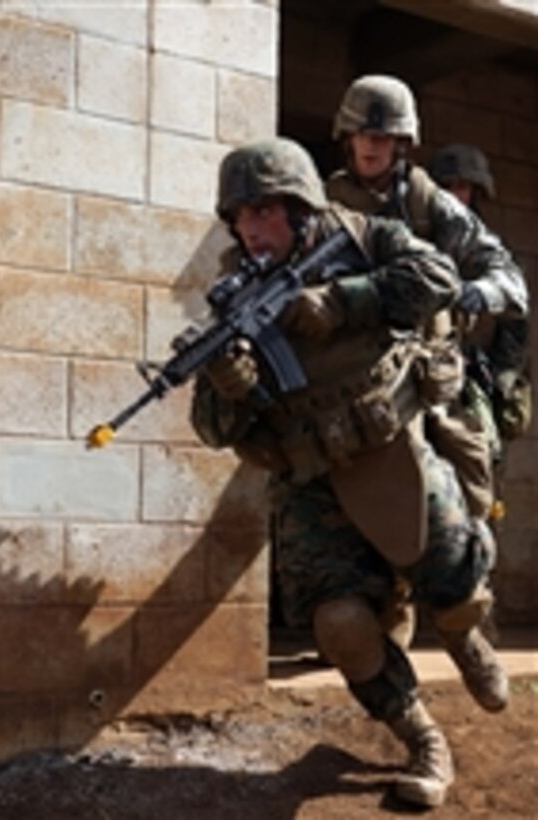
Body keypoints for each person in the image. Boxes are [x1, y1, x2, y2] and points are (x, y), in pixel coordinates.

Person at [190, 137, 508, 808]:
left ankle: (462, 637)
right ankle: (422, 738)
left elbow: (439, 280)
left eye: (264, 211)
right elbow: (215, 430)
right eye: (240, 216)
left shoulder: (365, 235)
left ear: (302, 208)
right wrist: (228, 383)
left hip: (389, 445)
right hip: (309, 479)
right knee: (340, 625)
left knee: (456, 584)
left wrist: (343, 302)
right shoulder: (232, 293)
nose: (251, 228)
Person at [326, 75, 530, 642]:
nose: (371, 144)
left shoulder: (428, 203)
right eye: (363, 133)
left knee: (473, 481)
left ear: (401, 142)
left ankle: (463, 614)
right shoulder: (323, 205)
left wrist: (471, 294)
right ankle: (388, 625)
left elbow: (510, 282)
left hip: (436, 377)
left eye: (384, 135)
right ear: (347, 136)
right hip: (361, 381)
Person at [429, 143, 532, 465]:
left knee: (480, 460)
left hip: (471, 374)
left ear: (475, 192)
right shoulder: (417, 238)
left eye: (462, 188)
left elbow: (516, 322)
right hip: (420, 368)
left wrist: (501, 375)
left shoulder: (490, 252)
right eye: (447, 187)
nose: (454, 196)